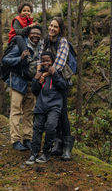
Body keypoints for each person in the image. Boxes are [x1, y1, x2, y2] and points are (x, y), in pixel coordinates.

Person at [2, 25, 43, 151]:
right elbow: (5, 60)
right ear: (28, 34)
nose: (36, 35)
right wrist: (20, 58)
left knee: (29, 112)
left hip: (32, 83)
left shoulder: (41, 47)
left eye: (38, 33)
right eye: (33, 33)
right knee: (16, 111)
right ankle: (15, 140)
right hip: (18, 82)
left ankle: (27, 138)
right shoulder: (20, 46)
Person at [25, 51, 68, 165]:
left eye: (47, 61)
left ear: (52, 61)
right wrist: (35, 80)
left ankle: (46, 152)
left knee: (50, 127)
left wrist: (54, 74)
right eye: (43, 61)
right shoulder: (40, 74)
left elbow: (63, 86)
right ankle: (34, 153)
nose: (45, 63)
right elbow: (35, 91)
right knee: (37, 129)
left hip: (54, 106)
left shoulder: (58, 72)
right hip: (41, 106)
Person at [42, 17, 75, 161]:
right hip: (51, 81)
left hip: (61, 81)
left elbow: (60, 64)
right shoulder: (46, 41)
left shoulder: (63, 42)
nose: (52, 28)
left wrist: (44, 72)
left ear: (60, 29)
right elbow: (40, 57)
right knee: (53, 112)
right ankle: (58, 143)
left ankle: (67, 147)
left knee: (62, 113)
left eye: (55, 27)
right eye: (50, 25)